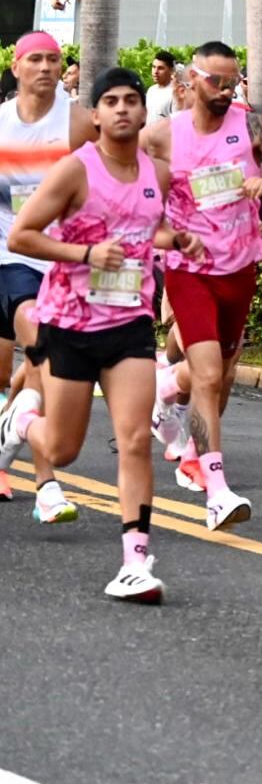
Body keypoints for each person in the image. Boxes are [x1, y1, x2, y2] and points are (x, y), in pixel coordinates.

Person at [0, 67, 206, 603]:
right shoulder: (75, 170)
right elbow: (22, 235)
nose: (121, 109)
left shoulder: (157, 173)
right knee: (62, 449)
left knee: (134, 439)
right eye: (110, 101)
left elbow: (145, 226)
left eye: (131, 100)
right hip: (70, 323)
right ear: (94, 115)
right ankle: (20, 420)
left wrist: (177, 239)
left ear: (143, 110)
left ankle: (135, 563)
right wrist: (86, 253)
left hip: (129, 321)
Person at [142, 41, 262, 529]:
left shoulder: (252, 126)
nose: (225, 90)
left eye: (232, 81)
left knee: (221, 375)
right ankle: (217, 489)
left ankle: (169, 394)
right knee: (208, 375)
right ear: (191, 81)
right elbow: (130, 190)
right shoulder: (161, 137)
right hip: (190, 269)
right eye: (216, 81)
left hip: (239, 268)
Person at [0, 31, 95, 516]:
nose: (45, 68)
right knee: (41, 348)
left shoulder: (77, 123)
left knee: (39, 362)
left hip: (66, 262)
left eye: (53, 60)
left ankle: (8, 424)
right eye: (35, 59)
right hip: (11, 257)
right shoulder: (0, 124)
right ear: (16, 67)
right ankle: (46, 486)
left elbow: (112, 174)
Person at [147, 51, 178, 120]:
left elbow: (179, 122)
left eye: (160, 68)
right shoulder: (151, 90)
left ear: (171, 70)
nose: (155, 72)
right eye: (154, 67)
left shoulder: (176, 93)